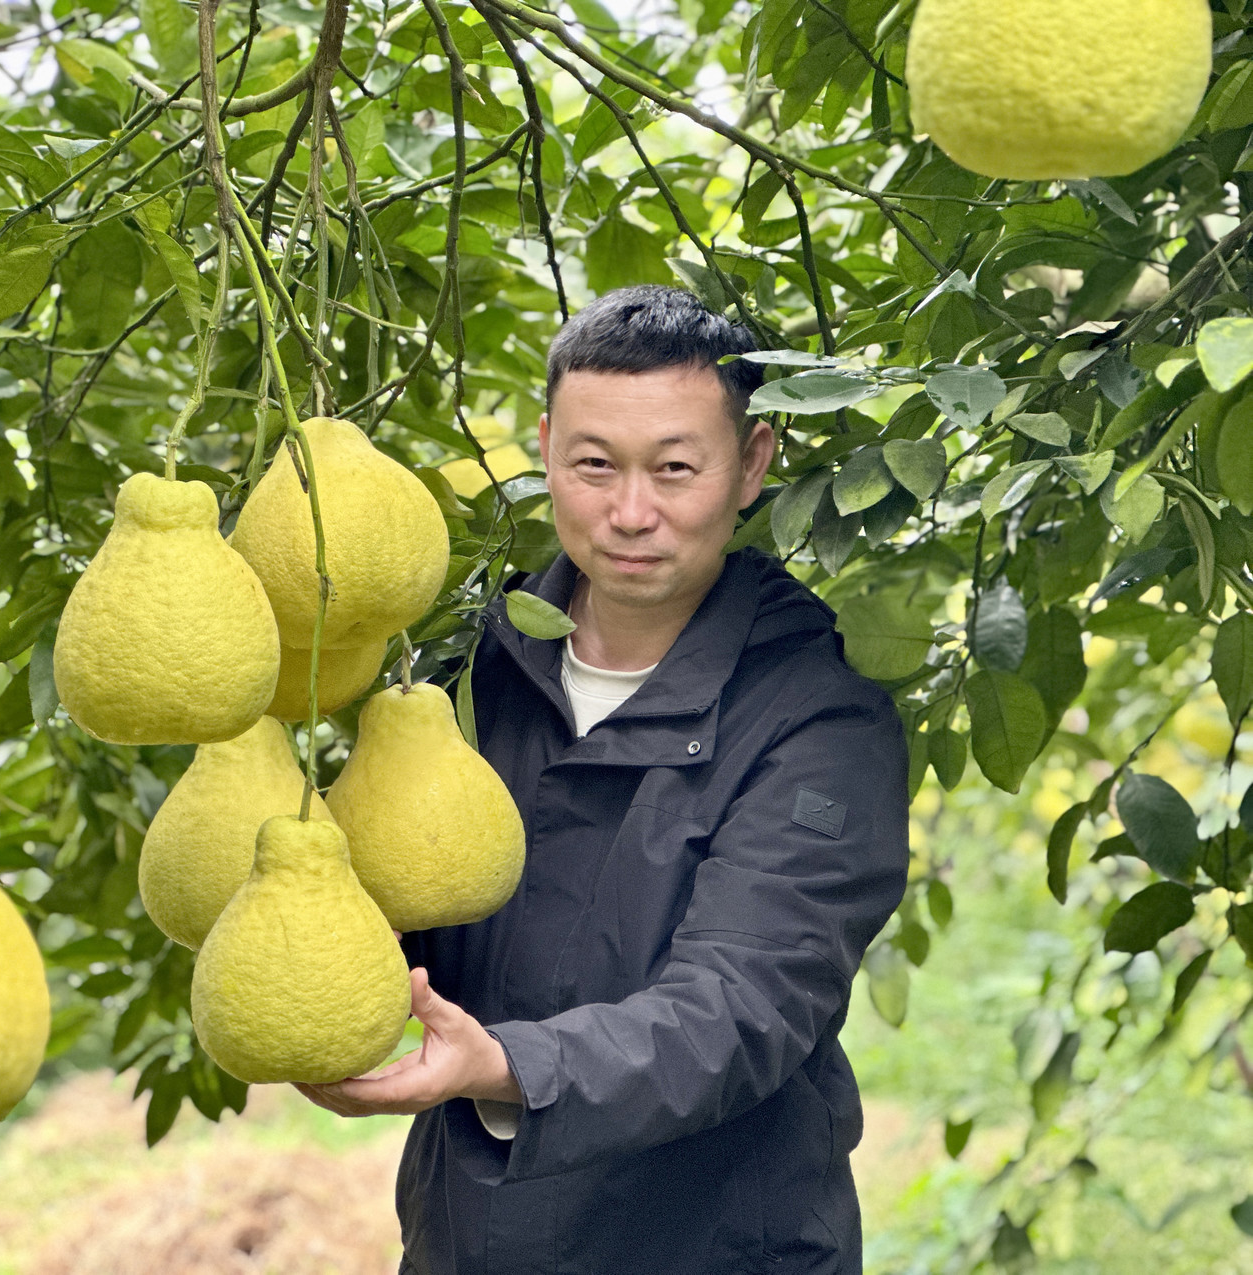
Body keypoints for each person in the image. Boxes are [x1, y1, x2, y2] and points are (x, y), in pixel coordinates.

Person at [296, 285, 910, 1274]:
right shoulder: (457, 683)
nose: (630, 514)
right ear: (545, 447)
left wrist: (503, 1068)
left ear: (750, 463)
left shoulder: (816, 718)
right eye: (593, 466)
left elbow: (742, 1006)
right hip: (467, 1241)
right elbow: (388, 909)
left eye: (674, 469)